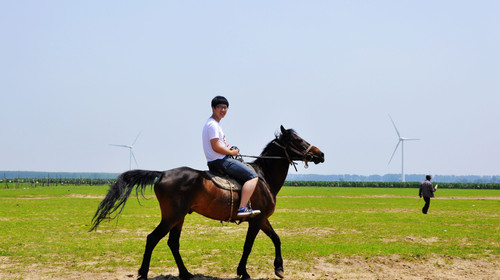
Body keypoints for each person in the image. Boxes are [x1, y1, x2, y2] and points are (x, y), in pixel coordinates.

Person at [202, 96, 261, 217]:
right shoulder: (213, 125)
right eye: (220, 107)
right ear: (213, 108)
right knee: (253, 177)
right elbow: (216, 147)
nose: (223, 110)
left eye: (225, 107)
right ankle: (242, 208)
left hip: (219, 159)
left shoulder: (215, 124)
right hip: (220, 161)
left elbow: (219, 146)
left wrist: (230, 150)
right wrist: (231, 153)